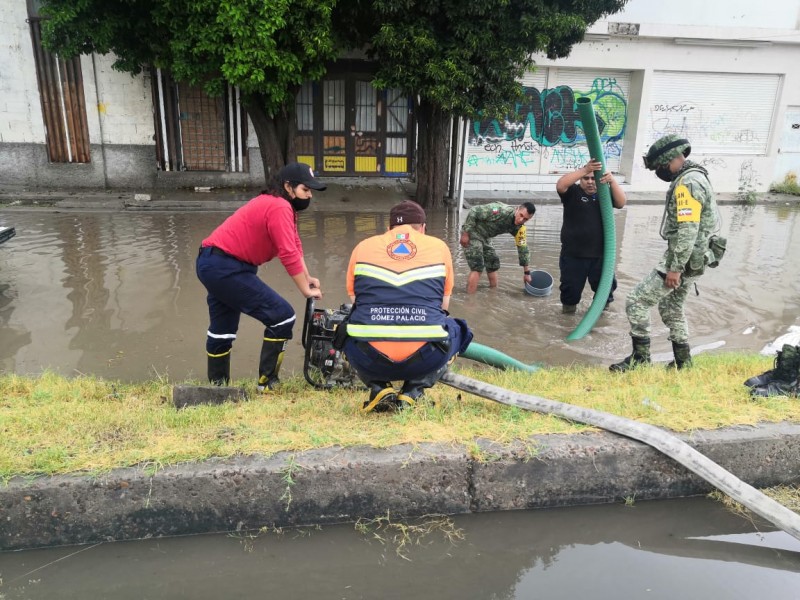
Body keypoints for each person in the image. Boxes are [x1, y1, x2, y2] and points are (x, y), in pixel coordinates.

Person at [196, 162, 325, 390]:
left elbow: (294, 246)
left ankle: (217, 389)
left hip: (215, 263)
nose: (309, 196)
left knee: (223, 329)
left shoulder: (281, 206)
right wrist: (305, 289)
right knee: (282, 316)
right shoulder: (278, 207)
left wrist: (308, 277)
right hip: (224, 266)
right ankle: (268, 384)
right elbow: (287, 253)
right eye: (306, 190)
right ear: (288, 186)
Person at [344, 200, 473, 413]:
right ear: (423, 228)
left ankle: (379, 387)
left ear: (389, 229)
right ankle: (414, 389)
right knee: (460, 329)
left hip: (368, 358)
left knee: (344, 329)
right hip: (426, 359)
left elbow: (356, 303)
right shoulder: (439, 247)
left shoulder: (363, 247)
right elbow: (443, 306)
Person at [610, 134, 720, 372]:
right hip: (697, 257)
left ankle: (640, 360)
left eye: (660, 166)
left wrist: (675, 269)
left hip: (683, 258)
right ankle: (683, 362)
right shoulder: (697, 176)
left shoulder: (687, 184)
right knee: (672, 309)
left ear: (671, 158)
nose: (660, 171)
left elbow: (688, 230)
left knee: (636, 301)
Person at [556, 159, 627, 314]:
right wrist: (585, 169)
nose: (590, 182)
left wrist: (612, 181)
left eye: (593, 178)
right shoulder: (573, 193)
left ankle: (600, 318)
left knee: (605, 291)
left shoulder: (605, 195)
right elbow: (561, 185)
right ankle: (566, 321)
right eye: (586, 178)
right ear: (580, 180)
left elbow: (621, 202)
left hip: (601, 257)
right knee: (570, 293)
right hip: (573, 256)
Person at [459, 202, 535, 293]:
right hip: (473, 232)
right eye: (521, 215)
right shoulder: (500, 210)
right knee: (478, 266)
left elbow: (523, 248)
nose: (521, 220)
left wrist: (526, 273)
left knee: (493, 262)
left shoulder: (520, 228)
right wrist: (465, 233)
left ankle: (493, 294)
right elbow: (474, 211)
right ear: (517, 209)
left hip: (486, 237)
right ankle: (470, 300)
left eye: (525, 219)